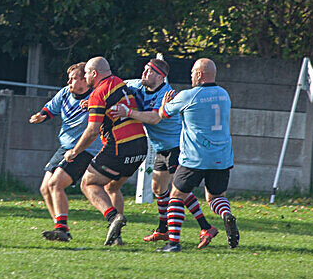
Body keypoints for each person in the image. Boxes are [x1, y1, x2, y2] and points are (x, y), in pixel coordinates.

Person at [110, 58, 220, 249]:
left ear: (161, 76)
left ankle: (206, 227)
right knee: (159, 188)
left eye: (149, 71)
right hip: (161, 147)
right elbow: (116, 85)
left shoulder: (166, 94)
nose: (144, 74)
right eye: (144, 69)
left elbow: (154, 118)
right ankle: (163, 229)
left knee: (179, 190)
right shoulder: (138, 85)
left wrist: (127, 112)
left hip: (176, 146)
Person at [154, 58, 238, 252]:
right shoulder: (224, 95)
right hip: (222, 156)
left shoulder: (189, 95)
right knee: (215, 197)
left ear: (199, 74)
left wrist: (165, 104)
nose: (190, 75)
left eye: (193, 72)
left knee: (176, 196)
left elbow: (163, 114)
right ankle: (226, 215)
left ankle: (173, 243)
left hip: (195, 157)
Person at [64, 56, 147, 246]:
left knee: (88, 183)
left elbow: (93, 130)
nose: (85, 78)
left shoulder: (97, 93)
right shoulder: (119, 83)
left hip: (120, 146)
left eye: (86, 74)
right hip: (141, 147)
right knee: (112, 187)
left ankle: (113, 218)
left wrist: (74, 151)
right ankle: (116, 236)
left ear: (94, 73)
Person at [29, 62, 102, 242]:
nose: (69, 82)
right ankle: (62, 230)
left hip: (85, 149)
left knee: (56, 184)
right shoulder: (65, 93)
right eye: (68, 78)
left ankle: (61, 228)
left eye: (73, 78)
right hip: (65, 147)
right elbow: (50, 109)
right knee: (45, 188)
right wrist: (41, 116)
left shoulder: (96, 96)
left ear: (85, 79)